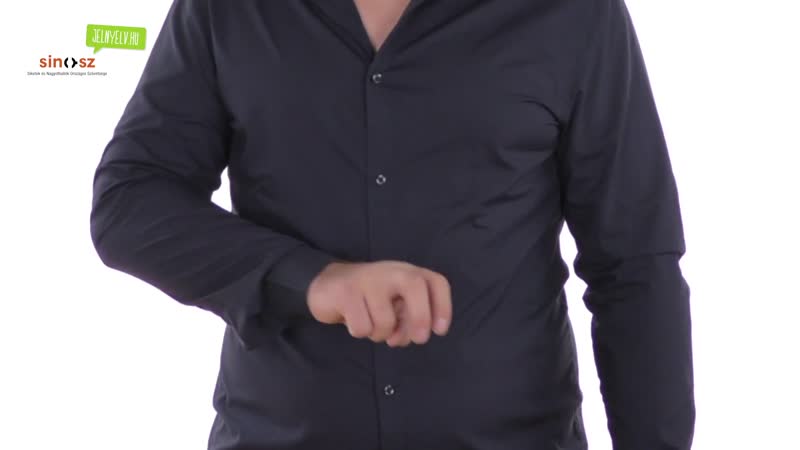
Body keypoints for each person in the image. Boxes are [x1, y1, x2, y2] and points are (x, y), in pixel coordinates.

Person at [89, 0, 695, 449]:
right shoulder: (226, 8)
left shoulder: (572, 13)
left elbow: (634, 265)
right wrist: (312, 280)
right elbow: (130, 200)